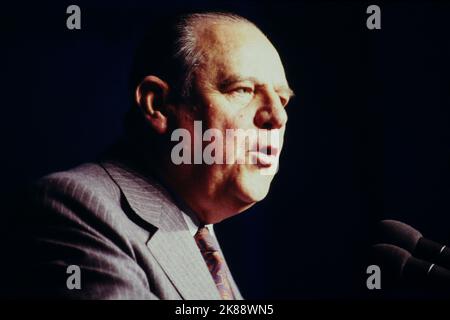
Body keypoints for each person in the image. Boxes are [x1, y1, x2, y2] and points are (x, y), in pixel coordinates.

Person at [12, 11, 294, 299]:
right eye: (243, 90)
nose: (278, 116)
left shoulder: (200, 233)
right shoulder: (75, 207)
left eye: (283, 99)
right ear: (157, 104)